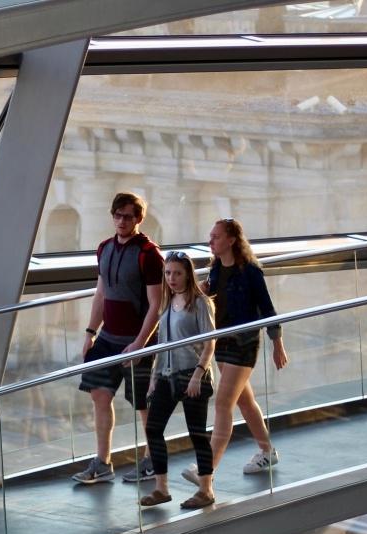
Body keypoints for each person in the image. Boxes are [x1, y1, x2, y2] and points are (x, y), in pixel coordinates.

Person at [182, 218, 289, 492]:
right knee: (245, 402)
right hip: (222, 344)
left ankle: (208, 469)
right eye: (210, 236)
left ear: (231, 240)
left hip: (243, 345)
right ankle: (267, 451)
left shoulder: (250, 272)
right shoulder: (216, 270)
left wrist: (277, 343)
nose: (211, 241)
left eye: (216, 236)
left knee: (222, 405)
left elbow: (267, 308)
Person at [73, 193, 164, 484]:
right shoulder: (104, 248)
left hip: (139, 340)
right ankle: (103, 461)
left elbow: (156, 305)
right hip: (108, 338)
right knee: (99, 394)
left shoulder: (149, 254)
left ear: (139, 219)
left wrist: (140, 343)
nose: (122, 221)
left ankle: (152, 460)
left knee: (143, 404)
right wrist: (90, 332)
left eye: (128, 216)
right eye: (118, 215)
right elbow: (101, 293)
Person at [139, 251, 217, 509]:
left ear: (188, 274)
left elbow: (210, 342)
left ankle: (206, 489)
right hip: (167, 375)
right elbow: (162, 344)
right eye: (168, 273)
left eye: (177, 273)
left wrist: (198, 374)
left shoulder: (200, 303)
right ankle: (161, 488)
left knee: (197, 433)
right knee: (153, 429)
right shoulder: (168, 302)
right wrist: (153, 377)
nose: (171, 278)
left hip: (192, 375)